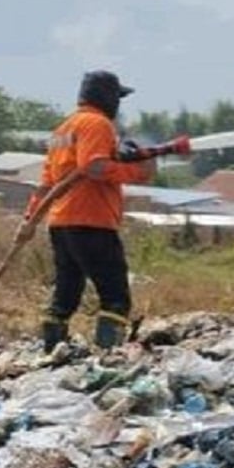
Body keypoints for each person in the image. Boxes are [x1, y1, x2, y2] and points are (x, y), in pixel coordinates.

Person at [17, 70, 156, 352]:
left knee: (66, 293)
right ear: (107, 97)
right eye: (117, 97)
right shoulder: (97, 123)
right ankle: (107, 356)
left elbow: (46, 184)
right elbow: (94, 166)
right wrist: (138, 172)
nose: (118, 105)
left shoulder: (63, 130)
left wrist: (30, 219)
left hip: (61, 223)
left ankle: (51, 352)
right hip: (91, 221)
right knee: (115, 296)